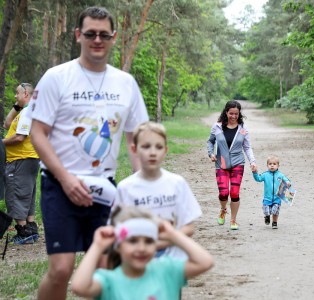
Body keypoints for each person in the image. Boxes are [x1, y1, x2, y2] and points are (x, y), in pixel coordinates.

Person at [28, 7, 149, 300]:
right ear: (78, 35)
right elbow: (37, 133)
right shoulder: (57, 77)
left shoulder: (125, 83)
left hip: (106, 188)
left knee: (109, 266)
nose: (97, 40)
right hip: (60, 185)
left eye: (104, 35)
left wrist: (141, 185)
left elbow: (137, 138)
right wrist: (66, 179)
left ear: (114, 38)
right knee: (61, 269)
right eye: (91, 34)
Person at [71, 206, 214, 299]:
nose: (141, 248)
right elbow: (79, 287)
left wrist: (172, 235)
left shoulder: (165, 270)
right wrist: (97, 246)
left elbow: (205, 262)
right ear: (119, 245)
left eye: (149, 241)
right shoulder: (109, 280)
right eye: (132, 241)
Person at [113, 121, 202, 259]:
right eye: (146, 146)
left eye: (159, 147)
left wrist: (162, 242)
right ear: (134, 149)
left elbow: (189, 227)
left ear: (165, 150)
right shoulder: (125, 188)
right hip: (137, 261)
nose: (153, 153)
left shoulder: (176, 183)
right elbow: (117, 229)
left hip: (172, 262)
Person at [207, 100, 256, 230]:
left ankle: (233, 220)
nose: (233, 116)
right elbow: (210, 142)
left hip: (238, 162)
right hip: (221, 162)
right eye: (231, 113)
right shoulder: (217, 127)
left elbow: (247, 147)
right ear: (226, 112)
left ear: (239, 114)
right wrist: (210, 153)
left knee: (234, 193)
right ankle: (223, 210)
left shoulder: (243, 128)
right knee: (223, 192)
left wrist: (253, 162)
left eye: (236, 114)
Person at [2, 83, 40, 244]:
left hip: (21, 158)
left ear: (25, 93)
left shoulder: (27, 112)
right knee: (27, 193)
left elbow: (19, 137)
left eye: (17, 93)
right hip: (29, 158)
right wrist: (17, 106)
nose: (15, 96)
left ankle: (24, 233)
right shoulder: (27, 111)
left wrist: (0, 143)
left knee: (15, 193)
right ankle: (31, 228)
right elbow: (7, 124)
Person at [252, 155, 291, 229]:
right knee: (266, 211)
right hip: (267, 198)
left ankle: (274, 222)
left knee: (275, 211)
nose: (272, 165)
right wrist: (255, 173)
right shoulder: (265, 174)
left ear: (278, 165)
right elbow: (258, 179)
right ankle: (267, 216)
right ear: (267, 165)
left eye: (274, 164)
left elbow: (286, 180)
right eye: (270, 164)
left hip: (277, 197)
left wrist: (288, 182)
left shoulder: (280, 175)